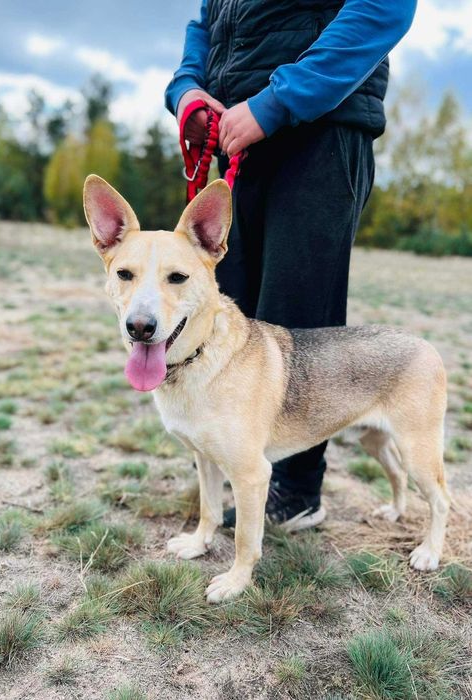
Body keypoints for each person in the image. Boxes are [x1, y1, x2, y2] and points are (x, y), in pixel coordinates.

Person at [165, 0, 417, 531]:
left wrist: (276, 101)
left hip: (319, 133)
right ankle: (240, 462)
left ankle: (297, 490)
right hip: (236, 138)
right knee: (229, 320)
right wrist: (187, 90)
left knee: (296, 324)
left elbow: (384, 6)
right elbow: (208, 26)